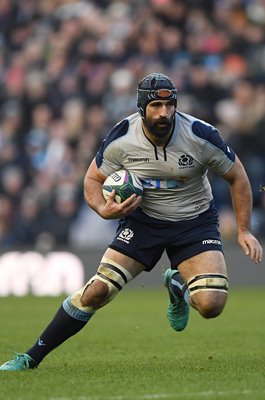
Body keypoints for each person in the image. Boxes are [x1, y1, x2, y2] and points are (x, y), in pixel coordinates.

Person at [0, 73, 263, 371]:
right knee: (97, 292)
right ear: (141, 108)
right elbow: (92, 178)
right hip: (143, 222)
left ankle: (178, 285)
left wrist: (243, 230)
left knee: (211, 305)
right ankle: (31, 357)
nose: (164, 113)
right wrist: (103, 208)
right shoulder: (123, 137)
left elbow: (237, 176)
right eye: (155, 106)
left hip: (195, 221)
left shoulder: (200, 135)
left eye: (169, 105)